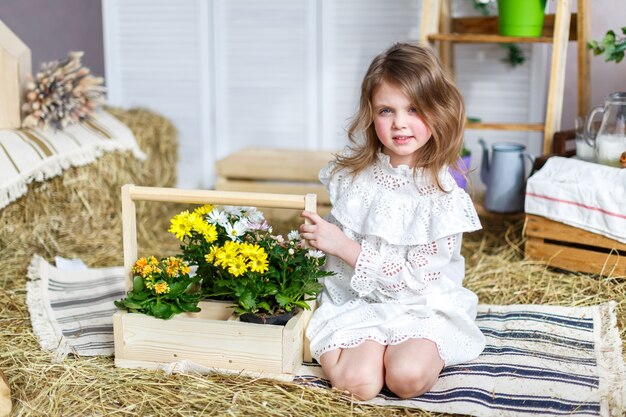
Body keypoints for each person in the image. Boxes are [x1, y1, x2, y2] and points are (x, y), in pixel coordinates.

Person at [299, 42, 485, 401]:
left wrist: (346, 247)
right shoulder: (354, 178)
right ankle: (370, 351)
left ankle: (404, 351)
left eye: (414, 109)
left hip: (421, 305)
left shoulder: (443, 197)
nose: (400, 122)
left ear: (437, 110)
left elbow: (415, 283)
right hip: (360, 302)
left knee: (406, 378)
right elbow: (331, 242)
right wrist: (310, 240)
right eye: (387, 110)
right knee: (359, 385)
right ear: (371, 114)